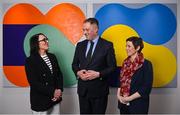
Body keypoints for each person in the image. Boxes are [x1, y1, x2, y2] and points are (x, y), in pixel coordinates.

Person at [72, 18, 117, 114]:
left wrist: (98, 74)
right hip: (83, 91)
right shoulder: (80, 45)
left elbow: (112, 67)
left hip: (99, 91)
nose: (84, 32)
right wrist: (78, 72)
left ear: (96, 29)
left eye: (87, 30)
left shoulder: (107, 45)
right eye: (83, 30)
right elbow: (74, 64)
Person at [25, 33, 63, 114]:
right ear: (36, 43)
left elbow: (59, 74)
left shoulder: (52, 56)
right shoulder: (30, 60)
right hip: (40, 100)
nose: (47, 41)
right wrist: (53, 91)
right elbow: (34, 82)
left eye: (47, 39)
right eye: (44, 40)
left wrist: (59, 90)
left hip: (55, 99)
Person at [117, 36, 153, 114]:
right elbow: (120, 81)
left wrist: (129, 98)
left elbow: (146, 88)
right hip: (123, 103)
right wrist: (119, 96)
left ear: (137, 48)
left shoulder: (146, 64)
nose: (126, 48)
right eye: (126, 46)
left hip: (138, 105)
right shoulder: (125, 62)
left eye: (129, 46)